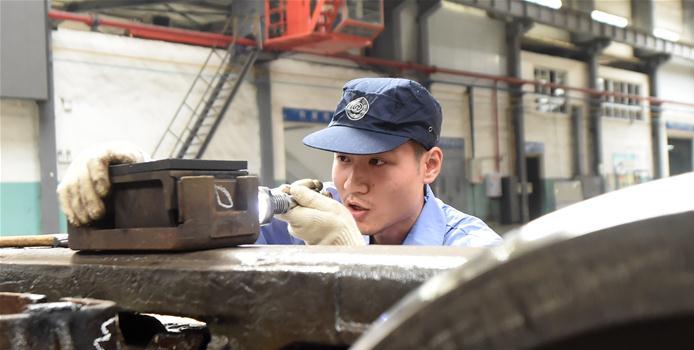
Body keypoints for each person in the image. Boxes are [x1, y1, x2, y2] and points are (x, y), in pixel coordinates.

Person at [57, 77, 501, 248]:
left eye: (378, 163)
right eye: (344, 159)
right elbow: (195, 232)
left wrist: (351, 265)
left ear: (430, 165)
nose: (352, 184)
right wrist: (125, 178)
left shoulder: (470, 252)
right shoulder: (307, 220)